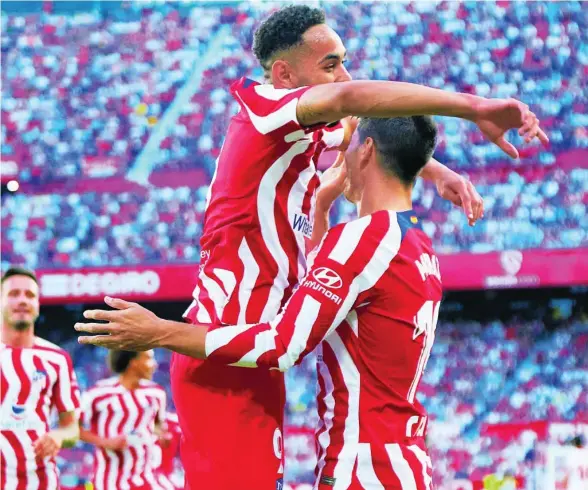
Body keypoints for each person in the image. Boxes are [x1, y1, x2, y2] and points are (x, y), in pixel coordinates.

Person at [76, 5, 547, 488]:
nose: (343, 74)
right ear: (284, 74)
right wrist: (473, 107)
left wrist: (434, 168)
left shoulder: (301, 134)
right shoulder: (265, 108)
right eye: (329, 64)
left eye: (342, 62)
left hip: (249, 351)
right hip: (222, 348)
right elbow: (354, 101)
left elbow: (369, 137)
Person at [79, 115, 452, 488]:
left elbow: (281, 344)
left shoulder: (364, 238)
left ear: (366, 150)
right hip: (401, 459)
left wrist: (159, 331)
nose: (342, 155)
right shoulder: (417, 245)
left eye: (349, 145)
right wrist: (320, 207)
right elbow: (331, 296)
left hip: (364, 468)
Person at [0, 266, 80, 489]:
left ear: (37, 304)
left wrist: (57, 436)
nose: (22, 300)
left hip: (41, 481)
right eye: (13, 294)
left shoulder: (57, 359)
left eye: (30, 295)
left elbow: (72, 429)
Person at [79, 349, 168, 490]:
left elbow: (158, 425)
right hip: (109, 481)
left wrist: (162, 435)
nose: (155, 365)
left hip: (146, 479)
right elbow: (72, 428)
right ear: (134, 363)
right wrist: (106, 442)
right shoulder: (98, 394)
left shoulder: (156, 393)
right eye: (149, 359)